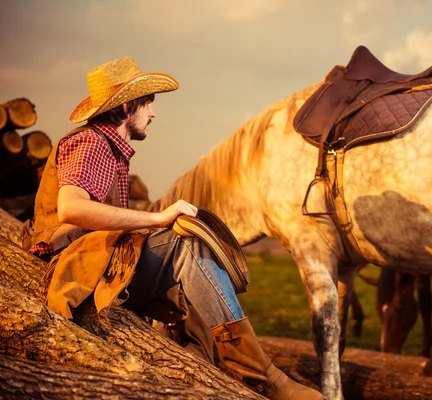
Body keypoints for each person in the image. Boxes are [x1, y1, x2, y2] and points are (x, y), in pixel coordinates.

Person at [27, 56, 322, 400]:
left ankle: (219, 368)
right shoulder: (91, 143)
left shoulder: (109, 148)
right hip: (77, 274)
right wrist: (158, 219)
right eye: (148, 103)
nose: (153, 113)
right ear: (126, 108)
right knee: (185, 243)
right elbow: (71, 208)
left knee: (186, 257)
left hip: (96, 267)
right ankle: (262, 376)